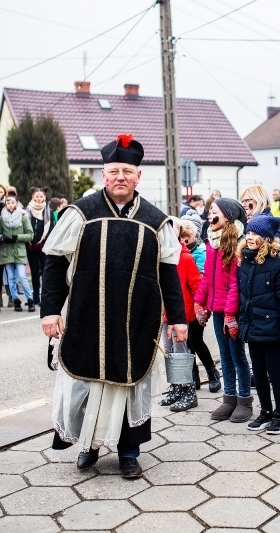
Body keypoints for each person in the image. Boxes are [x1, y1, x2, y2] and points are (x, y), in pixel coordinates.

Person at [41, 134, 187, 479]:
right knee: (88, 383)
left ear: (138, 176)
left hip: (137, 320)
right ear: (103, 175)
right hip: (87, 317)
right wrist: (50, 311)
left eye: (127, 171)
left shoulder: (156, 221)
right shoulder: (80, 213)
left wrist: (178, 319)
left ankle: (129, 452)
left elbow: (169, 273)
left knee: (128, 383)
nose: (119, 177)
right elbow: (54, 263)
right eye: (112, 171)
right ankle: (88, 447)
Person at [237, 215, 280, 435]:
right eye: (248, 233)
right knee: (258, 372)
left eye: (254, 233)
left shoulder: (279, 261)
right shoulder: (244, 260)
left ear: (266, 238)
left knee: (274, 372)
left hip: (272, 327)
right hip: (252, 326)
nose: (249, 237)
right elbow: (241, 296)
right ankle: (265, 411)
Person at [194, 198, 253, 423]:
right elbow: (207, 277)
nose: (210, 215)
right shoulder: (211, 242)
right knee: (225, 357)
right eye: (209, 211)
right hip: (217, 310)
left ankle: (244, 400)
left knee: (238, 356)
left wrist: (230, 314)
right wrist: (200, 303)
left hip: (232, 311)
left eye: (214, 212)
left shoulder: (238, 243)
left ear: (228, 216)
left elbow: (236, 283)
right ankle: (229, 399)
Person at [158, 217, 203, 412]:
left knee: (180, 353)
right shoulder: (161, 257)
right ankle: (177, 387)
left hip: (181, 316)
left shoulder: (184, 258)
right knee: (169, 353)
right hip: (165, 316)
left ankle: (188, 391)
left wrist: (197, 309)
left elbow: (197, 285)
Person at [175, 219, 220, 393]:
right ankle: (194, 376)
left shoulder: (200, 253)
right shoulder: (178, 254)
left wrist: (202, 305)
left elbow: (202, 281)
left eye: (188, 238)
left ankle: (212, 372)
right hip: (183, 304)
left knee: (195, 340)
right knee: (186, 343)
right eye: (182, 238)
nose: (185, 241)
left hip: (198, 304)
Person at [0, 192, 35, 313]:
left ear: (17, 203)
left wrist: (18, 237)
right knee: (11, 278)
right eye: (8, 202)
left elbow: (30, 235)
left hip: (19, 251)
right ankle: (16, 300)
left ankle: (30, 300)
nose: (10, 204)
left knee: (22, 276)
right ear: (5, 204)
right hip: (7, 251)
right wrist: (3, 238)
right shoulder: (1, 218)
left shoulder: (23, 217)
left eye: (12, 202)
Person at [25, 187, 53, 306]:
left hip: (44, 246)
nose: (39, 199)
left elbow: (51, 228)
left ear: (45, 198)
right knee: (34, 272)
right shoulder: (26, 211)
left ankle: (44, 297)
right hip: (31, 246)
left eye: (41, 196)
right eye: (36, 196)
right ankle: (35, 296)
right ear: (32, 197)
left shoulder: (48, 210)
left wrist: (45, 242)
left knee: (45, 272)